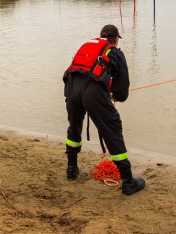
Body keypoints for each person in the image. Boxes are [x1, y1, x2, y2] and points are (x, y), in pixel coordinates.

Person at [63, 24, 146, 195]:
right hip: (91, 92)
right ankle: (128, 182)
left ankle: (71, 169)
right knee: (113, 130)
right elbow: (122, 92)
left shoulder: (87, 45)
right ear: (115, 39)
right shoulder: (115, 52)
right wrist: (114, 95)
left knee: (74, 127)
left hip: (71, 87)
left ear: (100, 36)